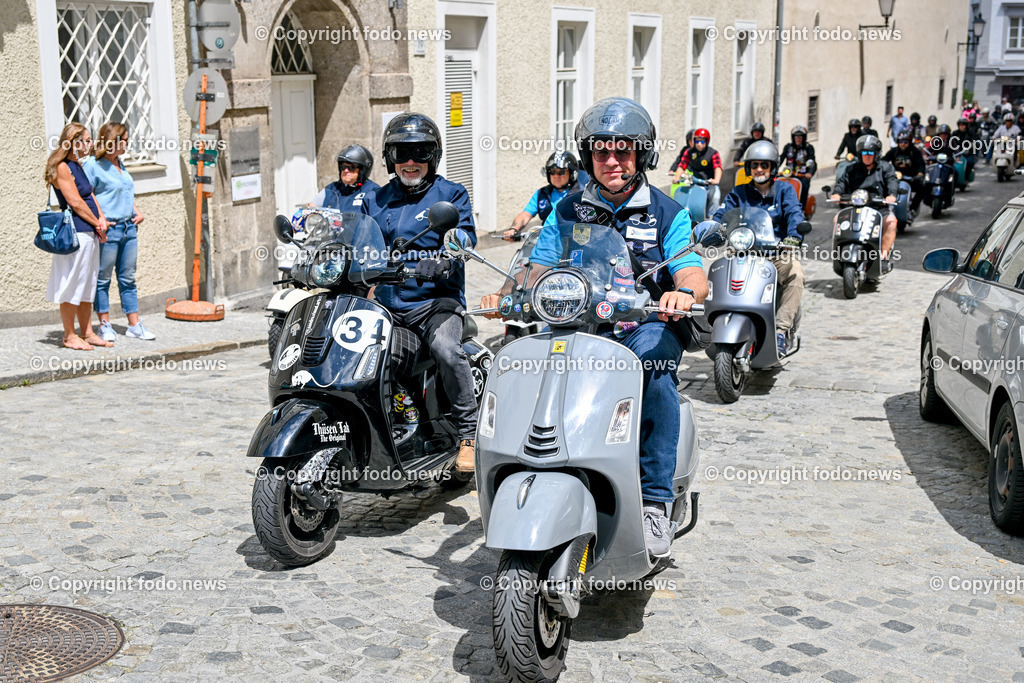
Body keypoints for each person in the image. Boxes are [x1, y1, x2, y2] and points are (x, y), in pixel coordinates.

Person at [482, 98, 708, 558]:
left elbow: (690, 269)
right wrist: (506, 294)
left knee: (655, 365)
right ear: (588, 156)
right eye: (601, 151)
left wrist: (684, 292)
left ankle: (653, 500)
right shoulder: (567, 208)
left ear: (641, 155)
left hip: (642, 325)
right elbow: (536, 266)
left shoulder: (668, 212)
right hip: (577, 323)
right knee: (521, 363)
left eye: (623, 151)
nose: (611, 161)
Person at [360, 113, 478, 473]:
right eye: (401, 153)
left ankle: (469, 436)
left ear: (434, 156)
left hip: (435, 303)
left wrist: (446, 256)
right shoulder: (376, 198)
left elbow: (466, 236)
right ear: (389, 158)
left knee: (445, 349)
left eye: (420, 152)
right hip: (389, 306)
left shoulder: (451, 194)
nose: (410, 162)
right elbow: (360, 242)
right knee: (363, 358)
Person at [714, 141, 805, 357]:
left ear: (773, 168)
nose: (759, 170)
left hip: (776, 253)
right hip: (743, 252)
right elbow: (722, 214)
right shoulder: (739, 193)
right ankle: (720, 321)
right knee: (718, 271)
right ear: (749, 168)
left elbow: (794, 213)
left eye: (764, 165)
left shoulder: (784, 190)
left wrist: (794, 235)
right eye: (754, 165)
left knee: (796, 275)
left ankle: (781, 332)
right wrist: (713, 229)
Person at [82, 121, 154, 342]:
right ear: (112, 141)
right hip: (109, 230)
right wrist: (99, 221)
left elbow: (123, 193)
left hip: (128, 228)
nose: (128, 143)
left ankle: (134, 325)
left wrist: (137, 210)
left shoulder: (119, 164)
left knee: (128, 278)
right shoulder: (93, 165)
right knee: (102, 279)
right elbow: (87, 196)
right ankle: (104, 324)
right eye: (124, 139)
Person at [44, 122, 113, 350]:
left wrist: (100, 222)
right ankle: (69, 335)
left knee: (87, 284)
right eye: (87, 140)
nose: (91, 144)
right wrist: (97, 223)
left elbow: (90, 196)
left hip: (89, 232)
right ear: (74, 143)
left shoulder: (78, 165)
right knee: (73, 283)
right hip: (75, 233)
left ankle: (87, 332)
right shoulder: (63, 167)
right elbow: (75, 202)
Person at [829, 135, 899, 270]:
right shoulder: (852, 169)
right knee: (837, 219)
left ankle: (883, 257)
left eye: (870, 153)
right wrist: (837, 193)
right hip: (855, 207)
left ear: (876, 154)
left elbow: (892, 181)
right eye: (863, 153)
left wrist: (891, 195)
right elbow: (842, 182)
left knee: (890, 222)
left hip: (878, 208)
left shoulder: (885, 168)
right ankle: (838, 254)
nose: (867, 156)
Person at [502, 151, 582, 240]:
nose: (556, 176)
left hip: (573, 242)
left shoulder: (581, 195)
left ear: (572, 174)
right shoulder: (542, 194)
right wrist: (513, 229)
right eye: (552, 172)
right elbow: (526, 214)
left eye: (561, 172)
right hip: (547, 241)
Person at [313, 145, 380, 212]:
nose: (346, 171)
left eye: (352, 167)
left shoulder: (373, 191)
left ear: (362, 170)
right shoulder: (330, 190)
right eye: (343, 167)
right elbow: (311, 208)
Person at [883, 130, 926, 216]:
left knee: (922, 189)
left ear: (909, 142)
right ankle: (884, 209)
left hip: (911, 178)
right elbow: (884, 161)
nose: (903, 144)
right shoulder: (893, 151)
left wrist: (920, 174)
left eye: (905, 142)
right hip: (894, 178)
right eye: (901, 141)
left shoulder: (915, 152)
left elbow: (921, 164)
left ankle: (913, 209)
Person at [779, 125, 816, 205]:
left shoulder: (808, 148)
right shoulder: (788, 147)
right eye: (796, 137)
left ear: (804, 138)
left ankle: (801, 207)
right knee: (775, 182)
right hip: (788, 174)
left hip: (802, 175)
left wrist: (809, 173)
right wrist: (773, 168)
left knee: (804, 186)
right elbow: (781, 158)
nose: (798, 139)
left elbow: (812, 161)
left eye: (800, 137)